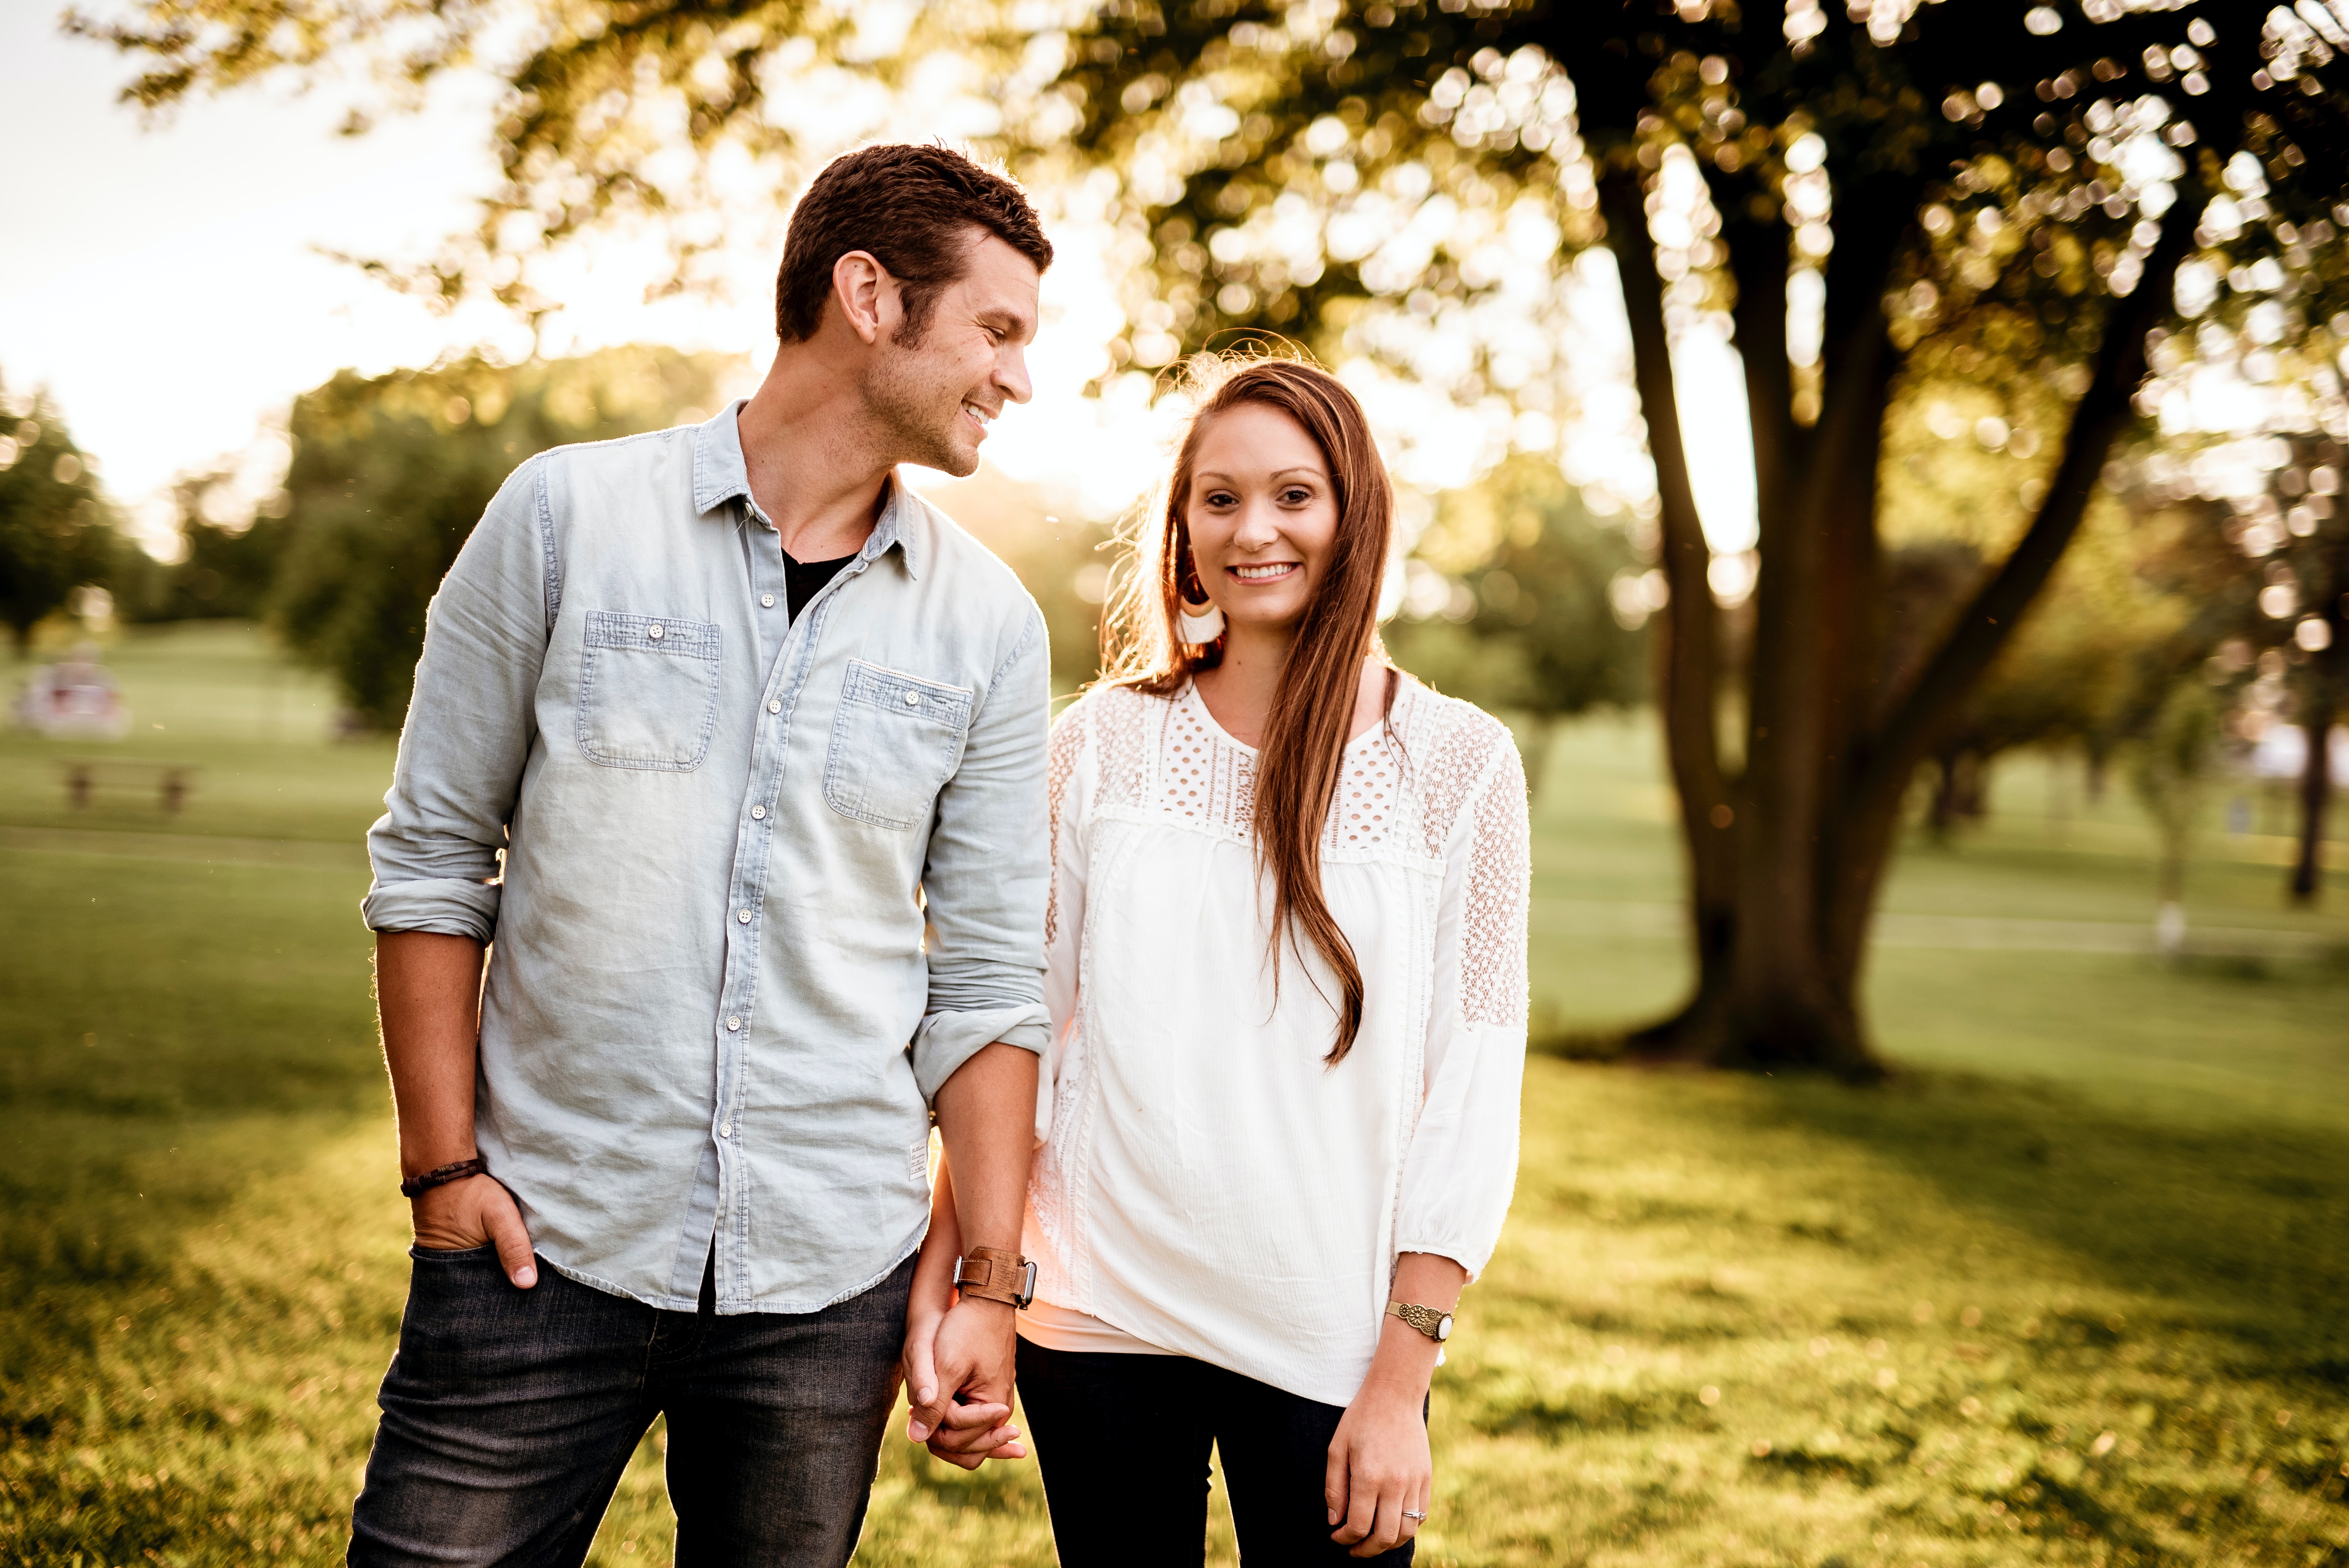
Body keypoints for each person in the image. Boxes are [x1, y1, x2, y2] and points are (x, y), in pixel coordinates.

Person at [348, 143, 1056, 1568]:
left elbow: (985, 976)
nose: (1017, 379)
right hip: (537, 1244)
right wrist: (442, 1176)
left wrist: (987, 1280)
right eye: (996, 329)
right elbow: (433, 865)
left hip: (825, 1281)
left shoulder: (990, 626)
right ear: (868, 295)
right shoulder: (563, 519)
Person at [916, 355, 1531, 1563]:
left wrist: (1403, 1376)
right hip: (1097, 1315)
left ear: (1354, 516)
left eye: (1295, 496)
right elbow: (1018, 1032)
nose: (1256, 530)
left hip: (1328, 1339)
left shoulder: (1459, 764)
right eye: (1220, 498)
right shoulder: (1097, 745)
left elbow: (1475, 1083)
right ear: (1184, 528)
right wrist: (970, 1289)